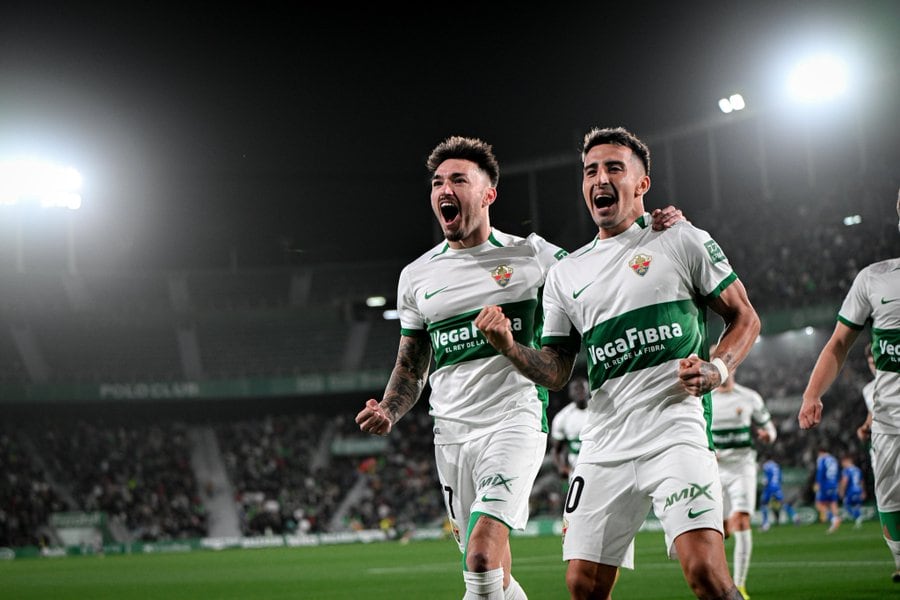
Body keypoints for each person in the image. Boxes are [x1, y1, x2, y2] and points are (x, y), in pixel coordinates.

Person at [354, 135, 686, 600]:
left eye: (458, 180)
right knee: (496, 578)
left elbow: (602, 264)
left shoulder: (532, 256)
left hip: (515, 420)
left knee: (481, 559)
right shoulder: (416, 276)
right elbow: (412, 363)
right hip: (450, 435)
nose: (443, 189)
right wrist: (390, 408)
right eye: (436, 183)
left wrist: (652, 230)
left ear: (488, 194)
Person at [475, 126, 760, 600]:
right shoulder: (567, 273)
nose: (599, 179)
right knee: (582, 584)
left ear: (642, 184)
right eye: (590, 171)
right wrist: (508, 346)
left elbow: (744, 317)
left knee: (706, 574)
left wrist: (717, 369)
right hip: (604, 441)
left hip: (676, 430)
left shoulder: (682, 239)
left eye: (613, 168)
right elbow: (558, 369)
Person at [798, 187, 900, 583]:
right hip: (890, 422)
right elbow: (839, 343)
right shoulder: (874, 279)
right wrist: (811, 394)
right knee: (890, 498)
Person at [709, 352, 777, 600]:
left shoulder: (750, 398)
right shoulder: (704, 399)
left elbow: (770, 428)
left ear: (732, 366)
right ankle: (720, 581)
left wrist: (768, 436)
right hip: (714, 471)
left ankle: (739, 586)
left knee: (741, 522)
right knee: (721, 530)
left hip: (742, 468)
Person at [551, 376, 590, 483]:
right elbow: (556, 450)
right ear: (570, 393)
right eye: (576, 389)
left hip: (601, 464)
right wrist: (562, 468)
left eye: (582, 388)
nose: (580, 391)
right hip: (577, 470)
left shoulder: (600, 410)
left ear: (589, 389)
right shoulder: (562, 417)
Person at [759, 456, 797, 530]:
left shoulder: (766, 465)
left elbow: (766, 480)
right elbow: (780, 479)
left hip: (769, 487)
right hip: (777, 487)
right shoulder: (777, 466)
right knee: (783, 503)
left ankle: (765, 524)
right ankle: (795, 517)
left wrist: (764, 483)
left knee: (763, 504)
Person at [813, 447, 842, 533]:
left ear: (820, 452)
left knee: (818, 504)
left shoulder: (822, 459)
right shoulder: (833, 459)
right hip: (834, 484)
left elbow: (821, 471)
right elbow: (838, 472)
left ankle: (834, 519)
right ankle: (835, 521)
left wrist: (818, 483)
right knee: (833, 503)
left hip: (825, 484)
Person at [839, 452, 866, 528]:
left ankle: (858, 517)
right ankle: (858, 520)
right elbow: (861, 481)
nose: (842, 464)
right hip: (858, 490)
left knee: (846, 505)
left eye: (843, 462)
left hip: (850, 491)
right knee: (857, 506)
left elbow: (845, 481)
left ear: (847, 461)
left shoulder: (846, 470)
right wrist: (863, 491)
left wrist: (842, 490)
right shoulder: (857, 469)